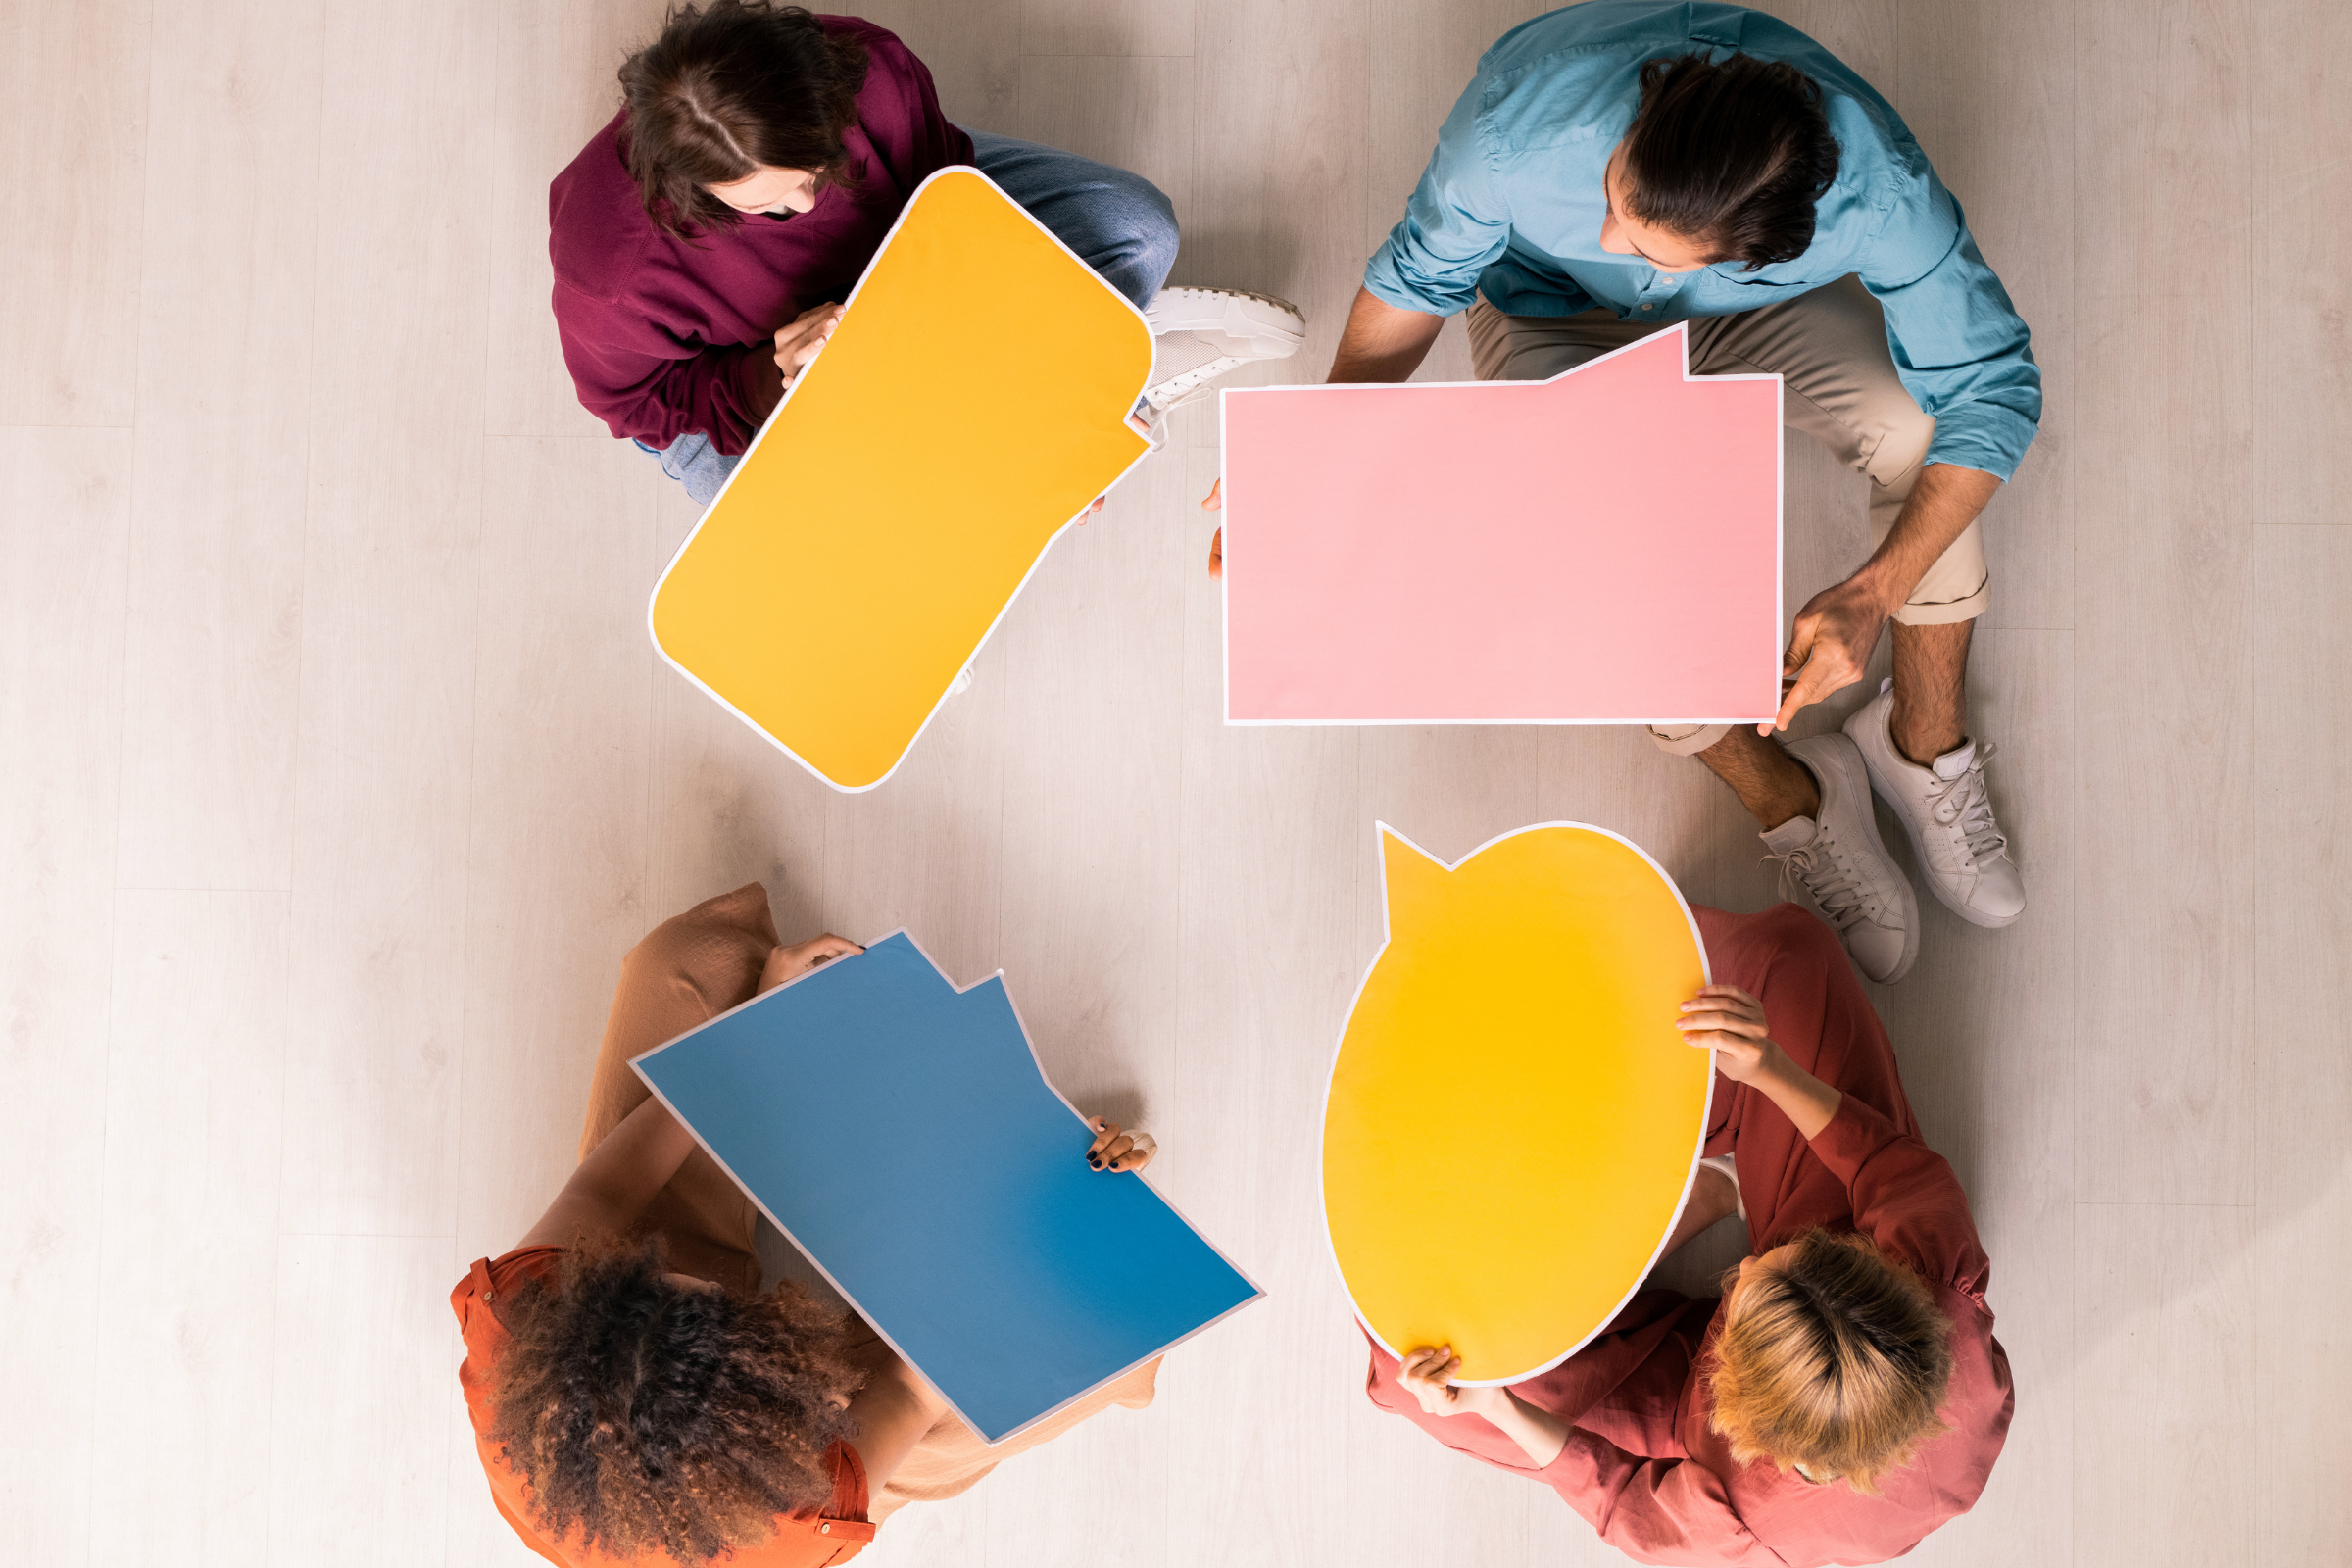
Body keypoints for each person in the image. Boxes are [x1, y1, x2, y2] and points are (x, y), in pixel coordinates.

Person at [1211, 0, 2035, 983]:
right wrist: (1312, 464)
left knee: (1923, 430)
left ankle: (1922, 740)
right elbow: (1418, 284)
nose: (1607, 238)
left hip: (1750, 316)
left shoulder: (1880, 193)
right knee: (1594, 575)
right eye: (1614, 195)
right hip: (1553, 316)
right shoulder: (1511, 137)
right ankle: (1789, 792)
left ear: (1768, 245)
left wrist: (1875, 592)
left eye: (1642, 242)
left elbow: (1992, 391)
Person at [453, 883, 1165, 1566]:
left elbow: (607, 1187)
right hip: (798, 1479)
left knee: (687, 962)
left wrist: (752, 1031)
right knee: (1087, 1336)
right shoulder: (802, 1507)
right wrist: (1039, 1210)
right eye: (729, 1314)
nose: (714, 1284)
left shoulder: (523, 1306)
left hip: (632, 1412)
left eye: (661, 1279)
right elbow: (915, 1388)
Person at [1366, 901, 2012, 1565]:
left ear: (1743, 1403)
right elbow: (1879, 1160)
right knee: (1789, 960)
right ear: (1866, 1267)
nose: (1746, 1266)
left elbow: (1622, 1500)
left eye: (1743, 1287)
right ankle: (1714, 1193)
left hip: (1686, 1410)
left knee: (1419, 1359)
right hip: (1827, 1292)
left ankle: (1668, 1226)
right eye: (1786, 1258)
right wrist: (1770, 1070)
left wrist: (1497, 1404)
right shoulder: (1939, 1278)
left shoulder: (1747, 1518)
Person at [552, 1, 1304, 508]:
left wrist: (977, 386)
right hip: (750, 380)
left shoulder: (867, 65)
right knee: (797, 542)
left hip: (908, 269)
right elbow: (637, 405)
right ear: (693, 193)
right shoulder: (610, 270)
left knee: (1138, 230)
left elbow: (950, 200)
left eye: (818, 173)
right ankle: (1094, 382)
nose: (808, 208)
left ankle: (1084, 395)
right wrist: (768, 379)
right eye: (772, 206)